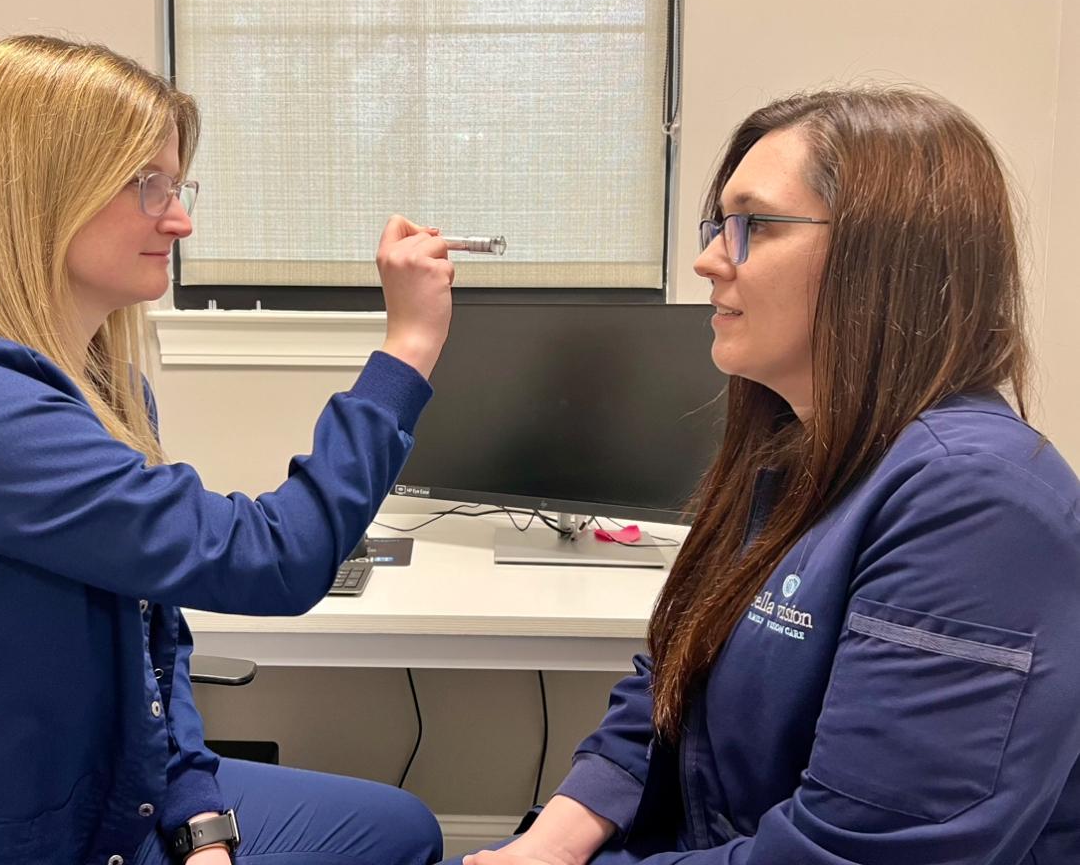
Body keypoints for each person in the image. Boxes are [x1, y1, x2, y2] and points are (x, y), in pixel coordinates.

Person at [0, 35, 450, 865]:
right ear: (35, 192)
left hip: (99, 794)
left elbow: (155, 643)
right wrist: (407, 350)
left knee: (396, 831)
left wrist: (198, 821)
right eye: (148, 186)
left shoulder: (103, 390)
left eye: (177, 185)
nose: (179, 218)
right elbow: (275, 560)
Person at [450, 87, 1080, 865]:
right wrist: (546, 847)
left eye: (754, 225)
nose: (709, 258)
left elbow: (862, 855)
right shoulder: (795, 456)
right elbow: (669, 682)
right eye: (719, 224)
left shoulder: (977, 506)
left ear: (885, 256)